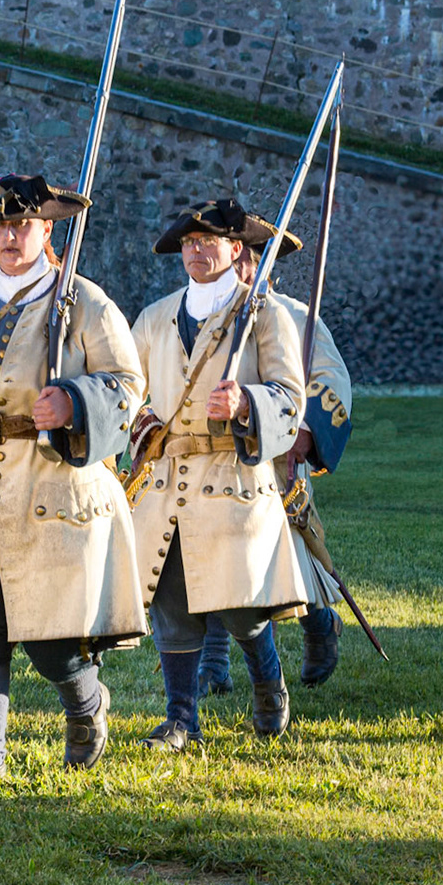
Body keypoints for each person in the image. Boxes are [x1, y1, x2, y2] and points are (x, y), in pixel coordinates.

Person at [0, 174, 146, 791]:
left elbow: (129, 384)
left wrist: (76, 402)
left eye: (22, 224)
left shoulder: (83, 300)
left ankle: (86, 705)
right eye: (0, 225)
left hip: (57, 490)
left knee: (51, 635)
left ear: (46, 230)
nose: (10, 235)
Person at [124, 198, 314, 751]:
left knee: (241, 606)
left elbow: (290, 397)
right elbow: (127, 390)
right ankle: (181, 718)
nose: (196, 250)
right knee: (171, 604)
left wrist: (246, 402)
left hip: (234, 476)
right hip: (166, 480)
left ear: (236, 249)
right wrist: (142, 427)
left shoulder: (263, 313)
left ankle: (267, 679)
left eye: (208, 241)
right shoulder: (156, 317)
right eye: (188, 242)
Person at [197, 221, 355, 696]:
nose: (242, 264)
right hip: (215, 463)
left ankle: (320, 625)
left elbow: (331, 385)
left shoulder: (295, 317)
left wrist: (301, 436)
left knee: (290, 565)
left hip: (277, 461)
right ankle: (214, 663)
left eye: (251, 255)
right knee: (214, 555)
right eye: (236, 253)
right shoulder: (205, 314)